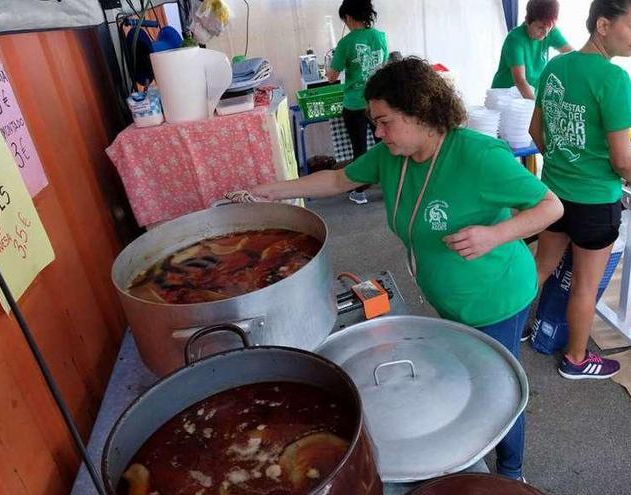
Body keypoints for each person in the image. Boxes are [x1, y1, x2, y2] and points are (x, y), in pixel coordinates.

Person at [236, 58, 563, 481]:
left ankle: (512, 471)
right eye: (375, 122)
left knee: (496, 389)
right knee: (461, 375)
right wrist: (270, 193)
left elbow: (551, 206)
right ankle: (468, 458)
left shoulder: (479, 156)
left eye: (385, 122)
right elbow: (337, 181)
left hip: (495, 296)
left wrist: (495, 234)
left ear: (421, 111)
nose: (378, 132)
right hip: (449, 295)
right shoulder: (394, 156)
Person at [529, 0, 631, 379]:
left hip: (552, 194)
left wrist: (563, 164)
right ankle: (576, 359)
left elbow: (536, 132)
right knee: (584, 286)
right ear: (603, 24)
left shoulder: (555, 66)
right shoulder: (613, 79)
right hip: (594, 202)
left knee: (541, 267)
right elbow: (622, 159)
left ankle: (510, 330)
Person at [327, 0, 388, 205]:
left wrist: (332, 65)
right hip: (378, 102)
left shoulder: (345, 43)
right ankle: (390, 189)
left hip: (354, 104)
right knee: (385, 146)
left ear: (349, 17)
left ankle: (360, 192)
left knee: (359, 149)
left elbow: (332, 77)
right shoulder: (380, 37)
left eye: (344, 19)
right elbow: (384, 67)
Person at [491, 0, 573, 100]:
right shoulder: (515, 39)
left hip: (527, 97)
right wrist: (536, 107)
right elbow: (520, 80)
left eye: (550, 27)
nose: (545, 33)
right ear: (527, 21)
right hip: (504, 98)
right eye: (540, 27)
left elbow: (573, 56)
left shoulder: (550, 32)